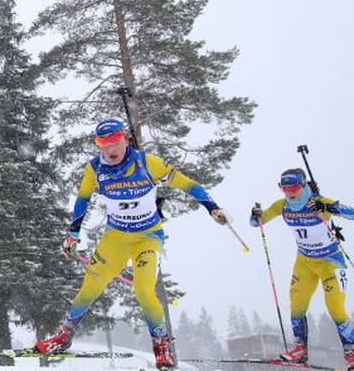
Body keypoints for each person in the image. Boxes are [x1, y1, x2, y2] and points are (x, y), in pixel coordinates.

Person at [34, 119, 230, 369]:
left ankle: (162, 345)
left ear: (125, 139)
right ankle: (64, 336)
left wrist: (213, 208)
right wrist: (73, 233)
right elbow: (83, 199)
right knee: (90, 286)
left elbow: (187, 184)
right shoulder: (95, 168)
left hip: (147, 237)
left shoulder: (147, 163)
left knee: (143, 290)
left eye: (115, 142)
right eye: (103, 144)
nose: (110, 150)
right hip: (115, 237)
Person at [251, 168, 354, 370]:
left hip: (330, 261)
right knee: (296, 305)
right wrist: (256, 215)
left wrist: (330, 208)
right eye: (285, 188)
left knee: (336, 308)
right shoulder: (283, 206)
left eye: (294, 187)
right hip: (305, 262)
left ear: (303, 185)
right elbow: (257, 222)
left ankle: (352, 357)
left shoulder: (318, 201)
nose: (290, 192)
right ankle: (300, 350)